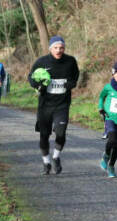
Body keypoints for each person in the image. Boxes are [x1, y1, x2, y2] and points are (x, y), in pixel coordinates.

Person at [28, 36, 79, 175]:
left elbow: (75, 76)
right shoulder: (41, 62)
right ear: (50, 48)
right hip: (45, 105)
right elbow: (31, 77)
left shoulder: (70, 61)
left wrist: (71, 84)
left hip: (62, 105)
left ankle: (56, 156)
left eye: (61, 48)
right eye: (56, 48)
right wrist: (38, 86)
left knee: (61, 132)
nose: (58, 50)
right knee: (44, 136)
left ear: (64, 48)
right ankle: (46, 163)